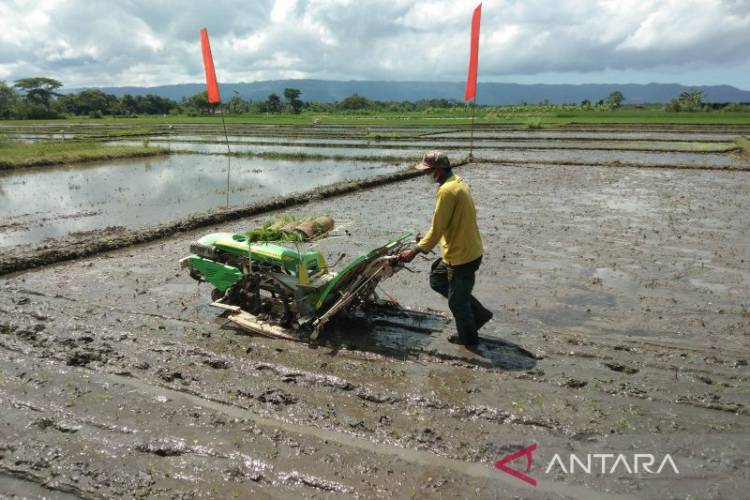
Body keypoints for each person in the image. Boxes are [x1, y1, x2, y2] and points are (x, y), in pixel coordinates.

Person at [398, 151, 492, 346]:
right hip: (464, 249)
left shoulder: (447, 191)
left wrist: (415, 250)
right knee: (437, 278)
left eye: (428, 171)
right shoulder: (457, 182)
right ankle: (479, 314)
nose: (426, 175)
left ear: (438, 170)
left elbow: (438, 228)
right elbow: (445, 224)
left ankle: (470, 340)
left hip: (462, 256)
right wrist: (425, 239)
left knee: (456, 302)